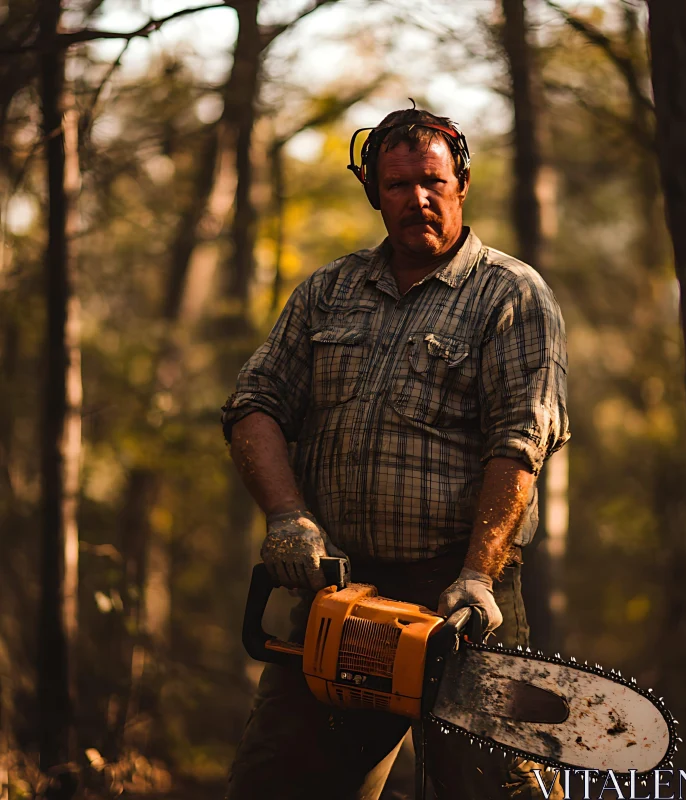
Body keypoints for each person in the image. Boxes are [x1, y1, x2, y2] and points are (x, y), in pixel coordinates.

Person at [221, 106, 569, 800]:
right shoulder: (328, 292)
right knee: (278, 784)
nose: (417, 199)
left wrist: (477, 573)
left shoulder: (510, 295)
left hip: (460, 601)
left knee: (492, 791)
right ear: (374, 193)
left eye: (433, 182)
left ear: (461, 182)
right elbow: (254, 402)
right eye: (398, 185)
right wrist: (288, 517)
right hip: (343, 598)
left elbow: (519, 441)